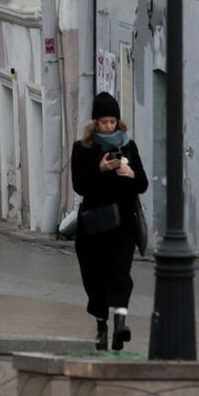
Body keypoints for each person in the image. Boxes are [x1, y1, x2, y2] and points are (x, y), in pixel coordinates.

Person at [70, 91, 149, 352]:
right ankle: (101, 327)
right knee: (95, 278)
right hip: (93, 226)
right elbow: (80, 186)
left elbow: (143, 184)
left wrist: (131, 173)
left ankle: (120, 325)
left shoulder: (127, 145)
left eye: (112, 121)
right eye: (104, 122)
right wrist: (100, 170)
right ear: (95, 123)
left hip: (122, 225)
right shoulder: (82, 149)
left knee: (121, 275)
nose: (108, 126)